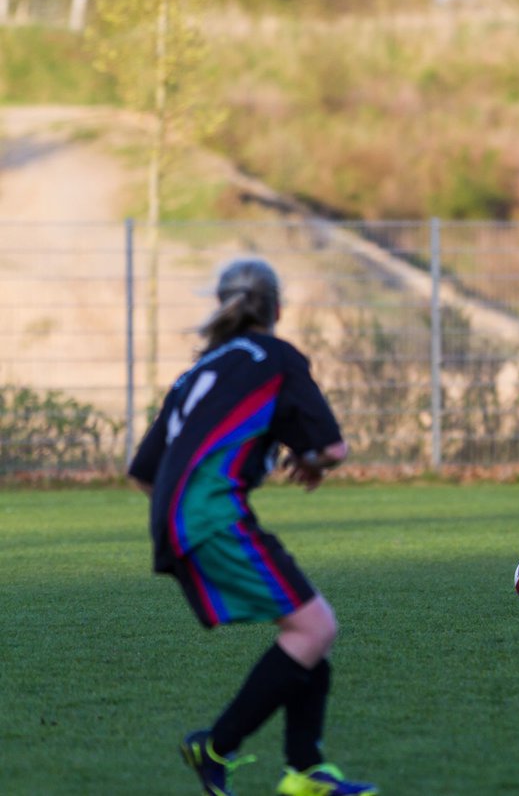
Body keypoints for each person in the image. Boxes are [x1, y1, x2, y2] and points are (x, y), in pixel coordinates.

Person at [128, 258, 377, 796]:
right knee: (315, 629)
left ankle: (305, 770)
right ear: (278, 309)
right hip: (211, 517)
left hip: (176, 517)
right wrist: (314, 462)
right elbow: (331, 447)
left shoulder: (198, 370)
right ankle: (215, 745)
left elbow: (143, 472)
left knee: (309, 629)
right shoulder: (278, 357)